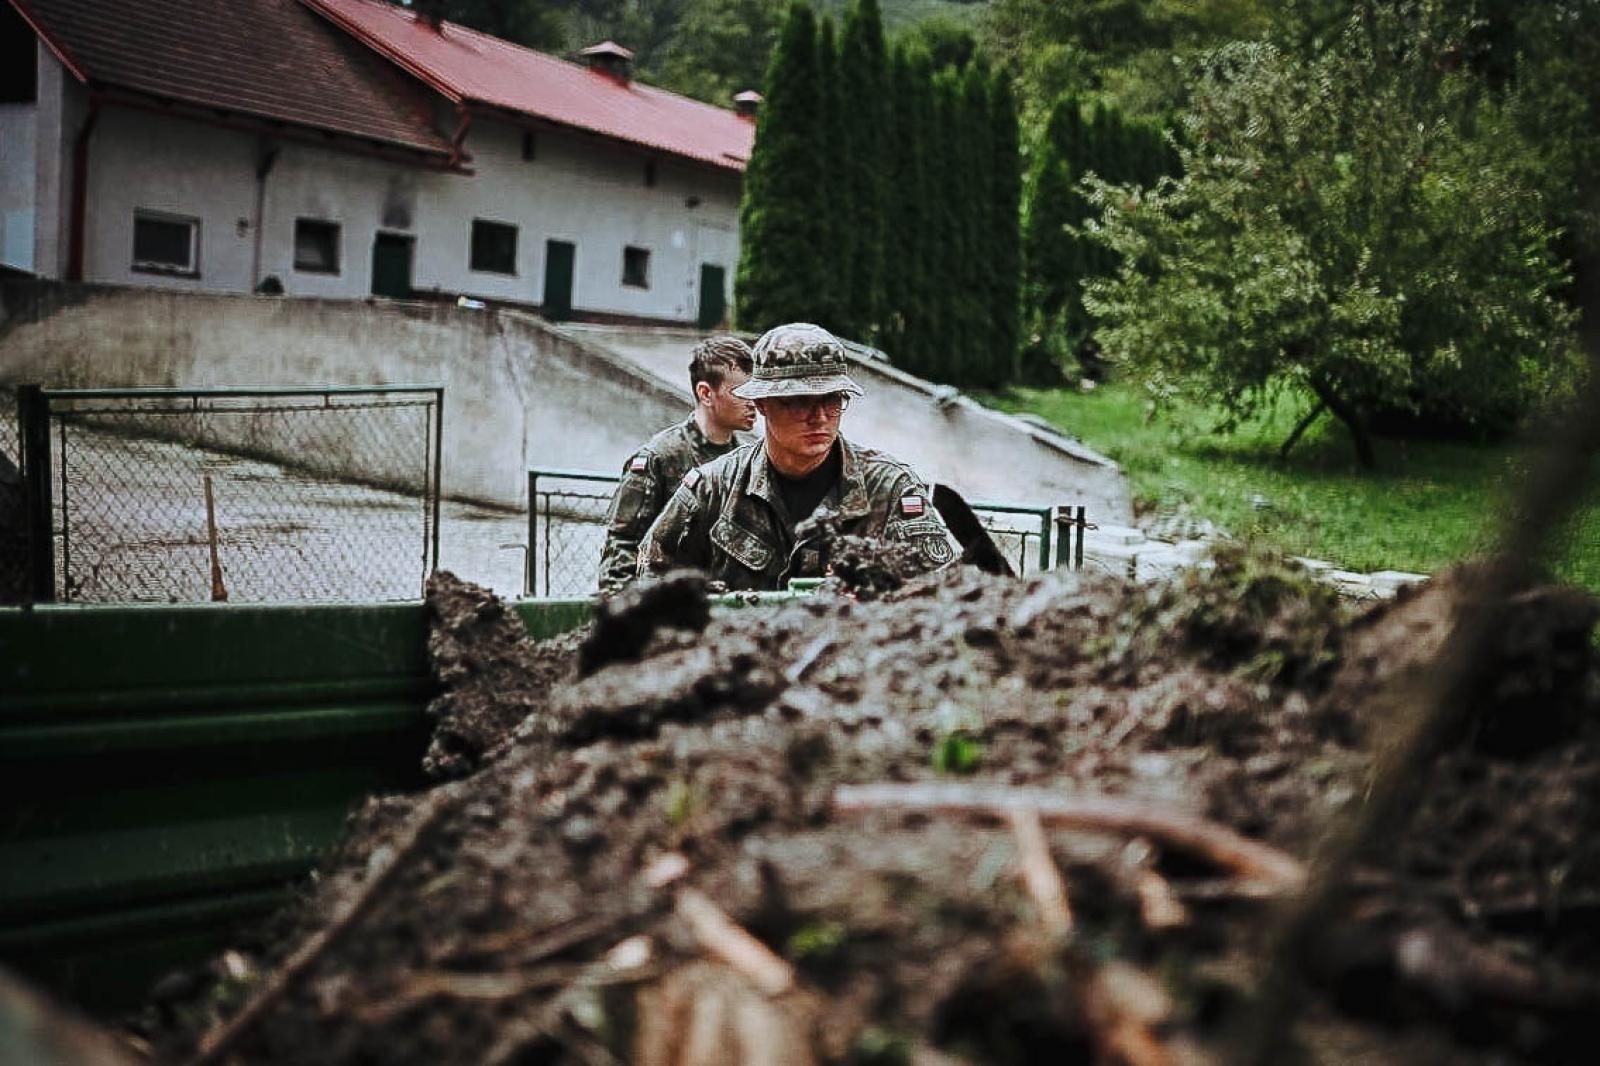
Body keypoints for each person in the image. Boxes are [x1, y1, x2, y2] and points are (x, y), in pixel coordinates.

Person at [638, 322, 954, 591]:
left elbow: (943, 595)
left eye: (832, 399)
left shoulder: (890, 487)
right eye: (799, 401)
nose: (820, 417)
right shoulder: (713, 488)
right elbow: (650, 583)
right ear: (762, 403)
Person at [595, 334, 758, 595]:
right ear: (706, 393)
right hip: (670, 603)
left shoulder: (747, 460)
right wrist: (630, 609)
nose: (754, 402)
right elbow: (622, 552)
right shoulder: (659, 458)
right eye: (741, 392)